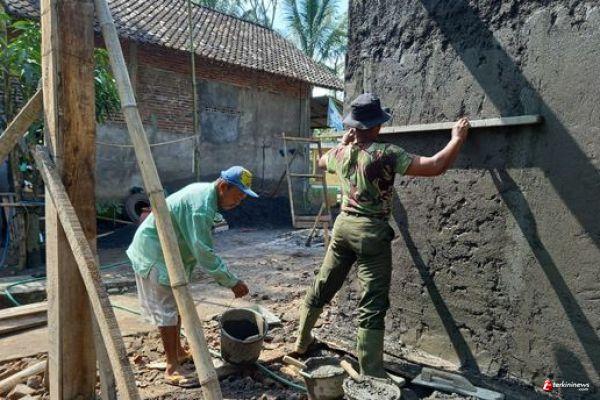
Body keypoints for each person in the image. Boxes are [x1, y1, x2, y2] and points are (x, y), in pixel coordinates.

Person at [292, 93, 470, 381]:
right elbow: (435, 165)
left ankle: (301, 341)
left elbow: (322, 162)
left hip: (343, 228)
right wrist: (457, 139)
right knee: (372, 303)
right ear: (376, 126)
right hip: (371, 234)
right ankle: (372, 372)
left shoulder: (341, 154)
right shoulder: (387, 154)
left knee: (323, 284)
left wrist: (344, 143)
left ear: (354, 127)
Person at [127, 166, 257, 386]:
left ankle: (178, 352)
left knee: (176, 307)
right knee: (167, 312)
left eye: (242, 198)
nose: (238, 202)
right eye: (237, 196)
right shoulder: (201, 206)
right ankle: (171, 367)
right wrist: (232, 281)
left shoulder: (206, 196)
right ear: (224, 187)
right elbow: (202, 251)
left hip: (169, 253)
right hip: (155, 254)